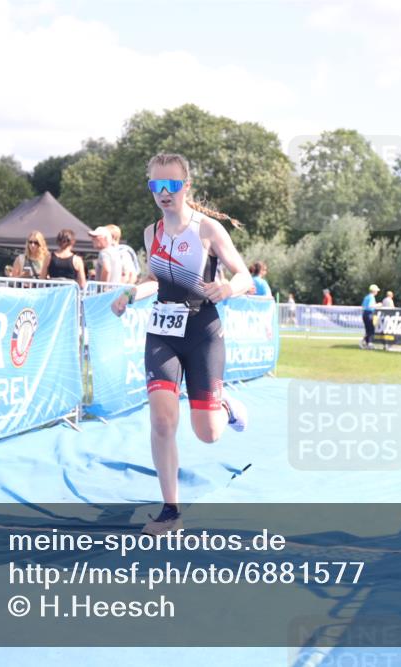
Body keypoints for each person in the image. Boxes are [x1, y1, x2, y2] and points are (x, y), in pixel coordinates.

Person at [111, 152, 252, 535]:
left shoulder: (208, 230)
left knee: (207, 433)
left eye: (171, 185)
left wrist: (227, 287)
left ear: (186, 186)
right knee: (162, 420)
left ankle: (226, 407)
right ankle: (170, 512)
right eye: (156, 186)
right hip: (162, 333)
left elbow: (245, 277)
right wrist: (130, 293)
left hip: (203, 332)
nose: (164, 193)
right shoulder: (150, 233)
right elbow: (156, 279)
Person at [359, 284, 380, 349]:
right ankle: (368, 343)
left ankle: (367, 343)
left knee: (368, 330)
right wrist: (378, 305)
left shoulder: (366, 297)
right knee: (371, 330)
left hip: (365, 313)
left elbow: (363, 306)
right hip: (369, 313)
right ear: (374, 291)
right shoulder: (371, 297)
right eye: (376, 290)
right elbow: (371, 306)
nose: (377, 292)